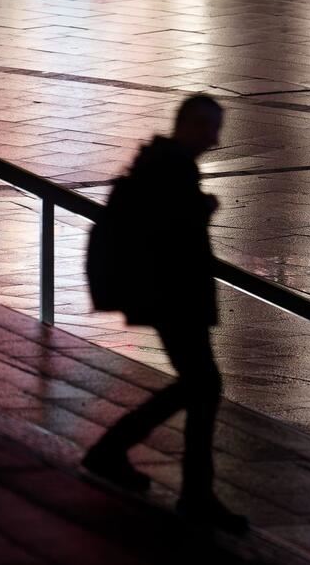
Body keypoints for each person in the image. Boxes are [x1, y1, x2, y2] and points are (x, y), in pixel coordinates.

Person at [82, 94, 247, 534]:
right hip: (174, 298)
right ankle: (190, 493)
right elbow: (169, 231)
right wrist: (202, 209)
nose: (214, 138)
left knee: (199, 385)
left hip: (169, 297)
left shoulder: (165, 163)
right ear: (188, 124)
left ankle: (119, 455)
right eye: (209, 127)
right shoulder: (171, 168)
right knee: (202, 385)